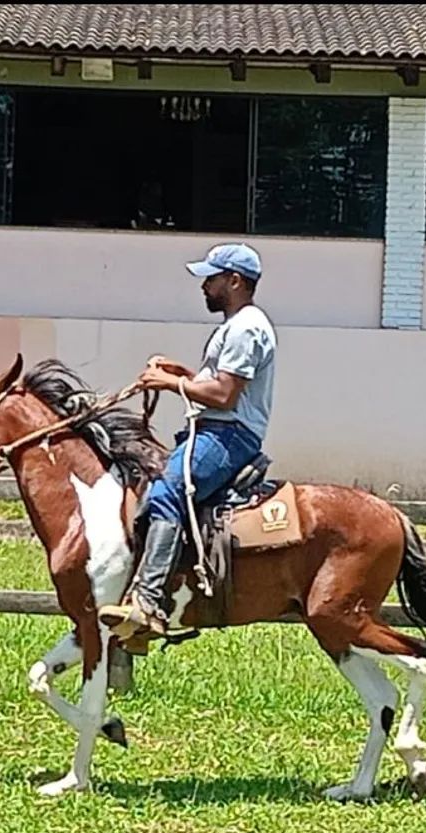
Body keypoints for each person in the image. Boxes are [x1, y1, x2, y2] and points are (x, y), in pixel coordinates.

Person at [100, 243, 278, 645]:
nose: (204, 286)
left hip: (227, 435)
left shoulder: (246, 327)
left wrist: (168, 382)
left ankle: (147, 603)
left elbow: (224, 396)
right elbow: (217, 381)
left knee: (166, 493)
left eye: (211, 279)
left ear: (234, 281)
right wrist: (182, 373)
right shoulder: (236, 326)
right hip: (220, 430)